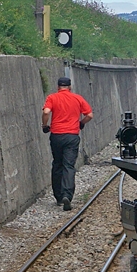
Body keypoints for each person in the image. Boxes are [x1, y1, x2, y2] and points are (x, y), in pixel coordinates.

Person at [42, 76, 93, 212]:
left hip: (56, 136)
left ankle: (58, 197)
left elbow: (46, 112)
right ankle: (67, 195)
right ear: (70, 87)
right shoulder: (77, 98)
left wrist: (45, 125)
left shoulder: (52, 97)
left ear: (58, 87)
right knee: (68, 166)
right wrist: (81, 123)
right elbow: (89, 115)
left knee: (57, 163)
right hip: (72, 136)